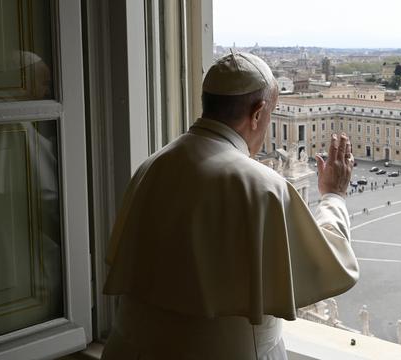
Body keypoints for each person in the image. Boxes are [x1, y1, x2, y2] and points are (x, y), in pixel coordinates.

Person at [101, 52, 359, 360]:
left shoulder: (150, 167)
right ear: (258, 112)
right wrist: (333, 195)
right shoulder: (261, 187)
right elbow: (331, 263)